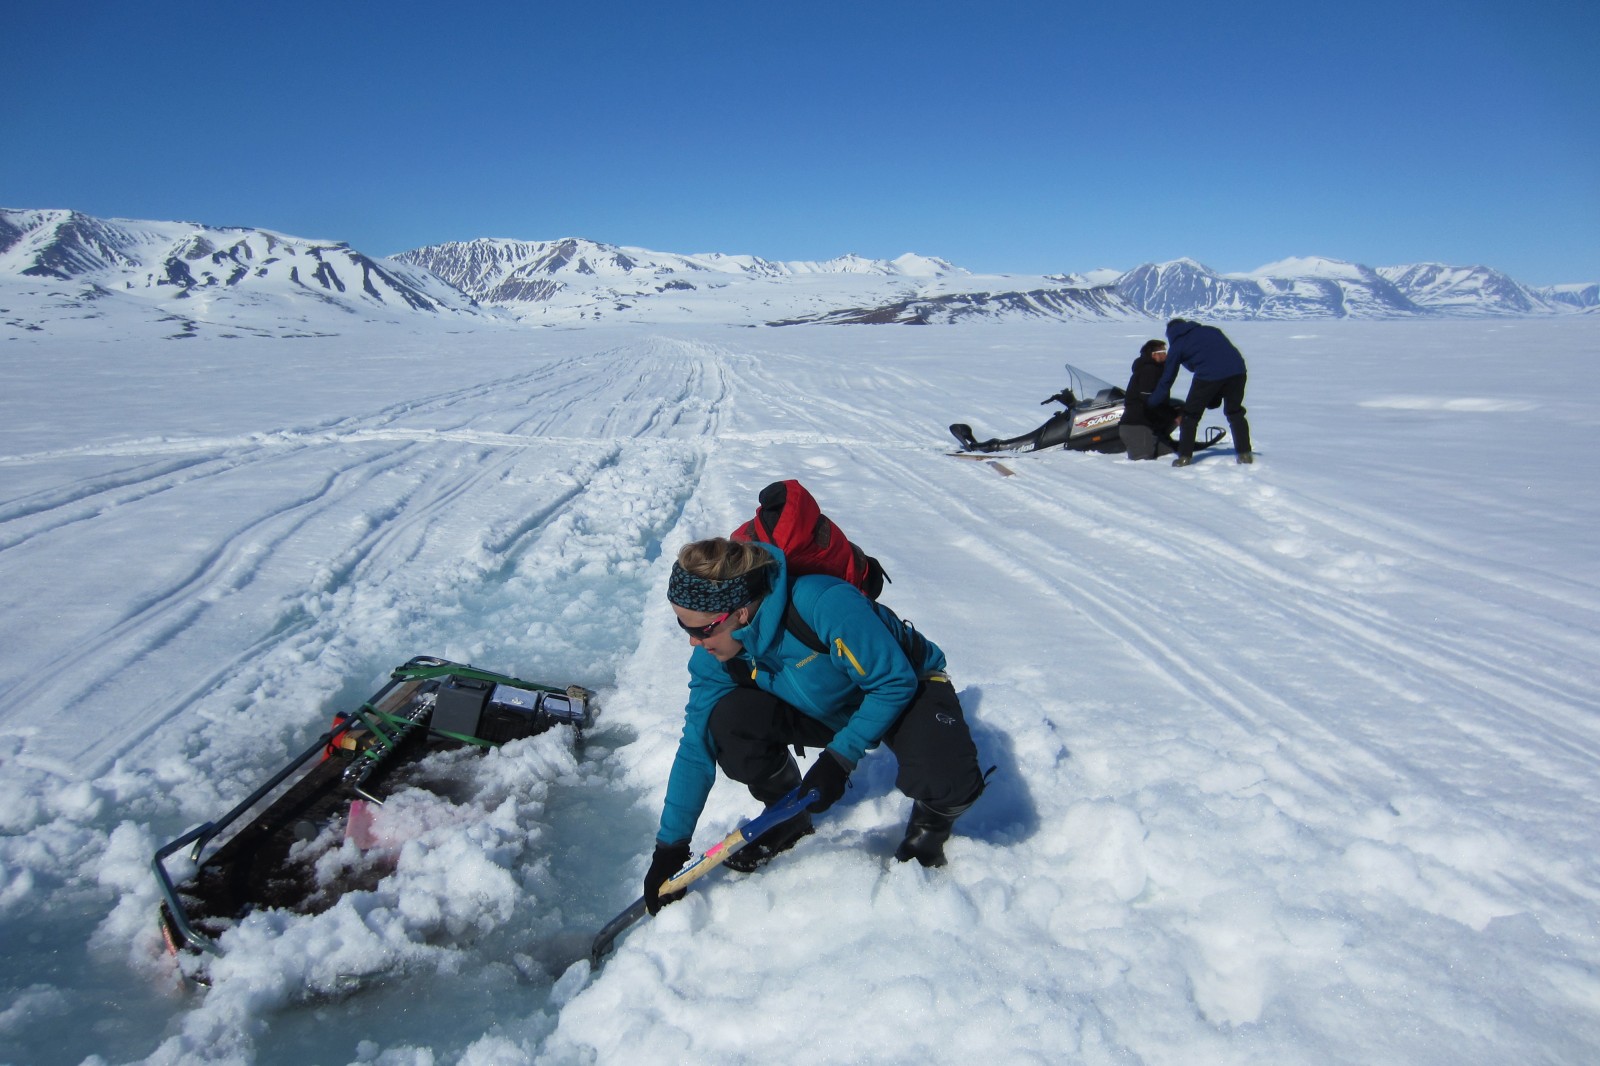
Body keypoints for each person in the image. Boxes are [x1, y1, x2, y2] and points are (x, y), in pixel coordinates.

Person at [643, 537, 987, 914]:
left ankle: (929, 831)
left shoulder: (822, 603)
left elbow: (892, 682)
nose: (694, 640)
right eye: (683, 625)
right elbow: (696, 746)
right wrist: (670, 848)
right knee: (725, 720)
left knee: (946, 777)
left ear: (740, 612)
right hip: (824, 706)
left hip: (905, 688)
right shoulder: (716, 657)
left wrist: (840, 758)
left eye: (703, 629)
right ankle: (787, 817)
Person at [1149, 318, 1254, 466]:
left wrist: (1153, 402)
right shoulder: (1212, 330)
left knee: (1190, 416)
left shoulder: (1178, 344)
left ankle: (1184, 456)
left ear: (1170, 334)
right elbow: (1223, 351)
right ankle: (1245, 454)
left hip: (1208, 375)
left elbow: (1168, 378)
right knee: (1234, 412)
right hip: (1238, 371)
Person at [1118, 339, 1180, 460]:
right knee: (1145, 465)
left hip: (1149, 425)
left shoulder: (1155, 370)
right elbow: (1149, 401)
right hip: (1138, 426)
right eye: (1163, 351)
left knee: (1168, 453)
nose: (1166, 355)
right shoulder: (1149, 370)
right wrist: (1173, 415)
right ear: (1154, 354)